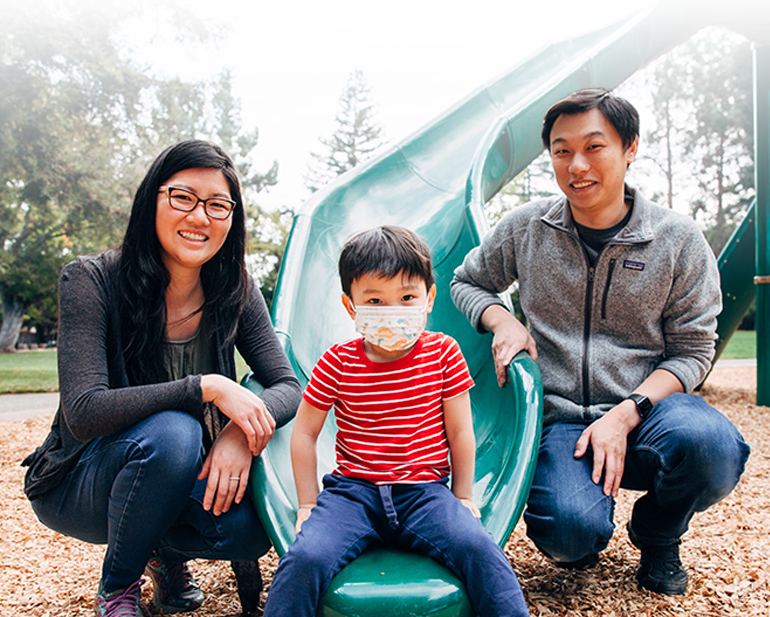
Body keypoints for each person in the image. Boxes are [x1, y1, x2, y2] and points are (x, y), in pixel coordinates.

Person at [451, 88, 750, 597]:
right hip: (563, 419)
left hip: (651, 412)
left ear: (630, 147)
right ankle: (586, 526)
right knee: (569, 541)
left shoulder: (676, 239)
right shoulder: (527, 228)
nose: (577, 165)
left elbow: (694, 350)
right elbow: (467, 281)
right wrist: (502, 319)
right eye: (562, 151)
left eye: (594, 147)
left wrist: (627, 411)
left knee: (712, 449)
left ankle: (657, 532)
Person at [22, 139, 302, 617]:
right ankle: (118, 591)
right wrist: (206, 386)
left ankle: (163, 554)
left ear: (232, 219)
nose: (200, 217)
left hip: (173, 473)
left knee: (248, 531)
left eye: (218, 205)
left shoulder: (235, 288)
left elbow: (287, 385)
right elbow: (86, 410)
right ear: (152, 198)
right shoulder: (91, 280)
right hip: (83, 481)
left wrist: (237, 435)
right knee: (175, 432)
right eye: (182, 197)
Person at [261, 225, 531, 617]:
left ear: (428, 298)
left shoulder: (442, 353)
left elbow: (460, 432)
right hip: (354, 492)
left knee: (478, 548)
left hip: (424, 492)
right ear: (351, 306)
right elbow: (303, 433)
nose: (394, 312)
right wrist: (306, 502)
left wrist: (464, 495)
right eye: (375, 300)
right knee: (306, 558)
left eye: (407, 298)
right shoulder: (337, 362)